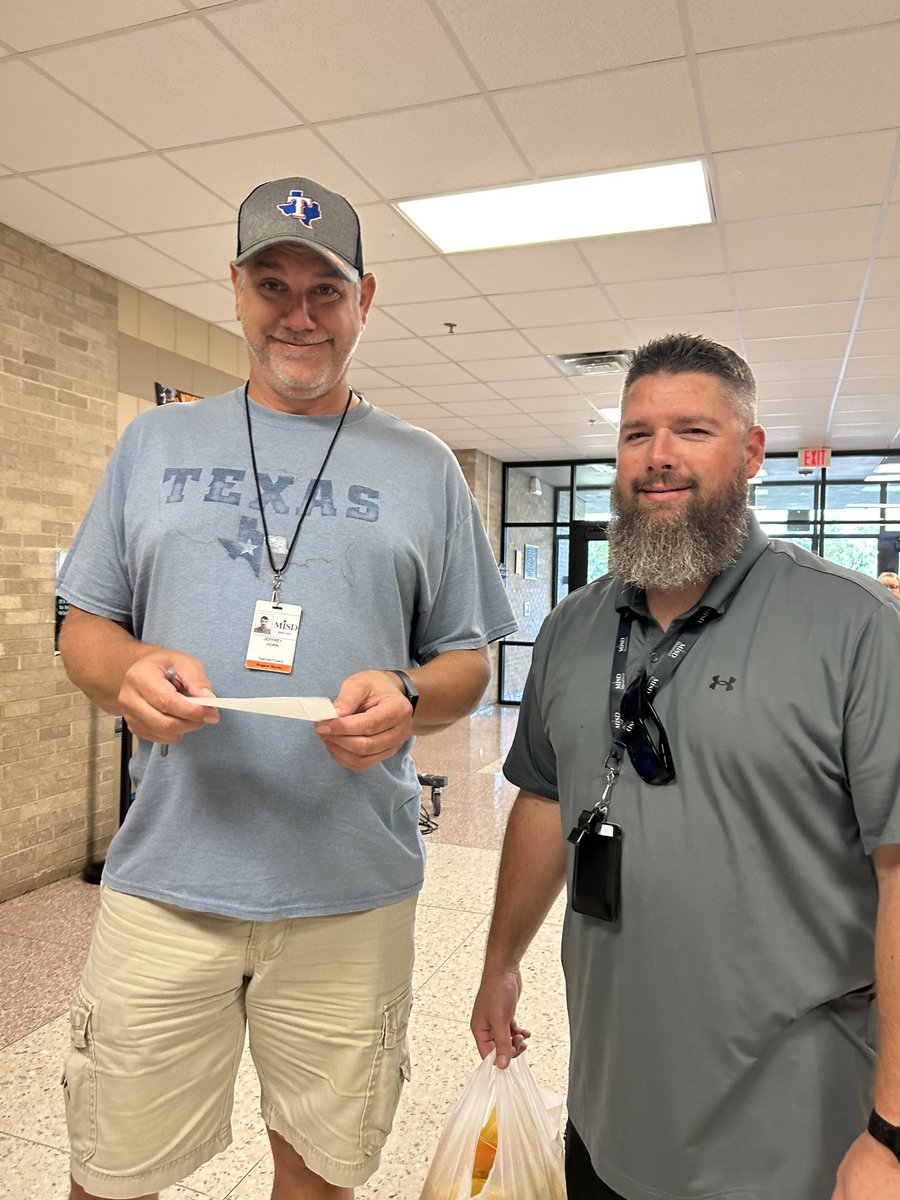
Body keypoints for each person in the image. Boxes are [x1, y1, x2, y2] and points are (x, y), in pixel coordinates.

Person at [57, 175, 516, 1200]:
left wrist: (407, 693)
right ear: (234, 290)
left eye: (327, 290)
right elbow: (81, 625)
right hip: (168, 880)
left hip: (349, 890)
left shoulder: (424, 466)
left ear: (366, 300)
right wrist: (126, 669)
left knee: (318, 1176)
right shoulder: (154, 446)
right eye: (274, 285)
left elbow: (468, 663)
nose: (299, 315)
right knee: (108, 1170)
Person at [470, 333, 900, 1200]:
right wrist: (499, 959)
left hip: (790, 1137)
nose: (657, 458)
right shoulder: (573, 627)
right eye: (635, 434)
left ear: (751, 453)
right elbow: (542, 801)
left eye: (691, 430)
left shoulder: (854, 628)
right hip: (608, 1113)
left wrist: (891, 1132)